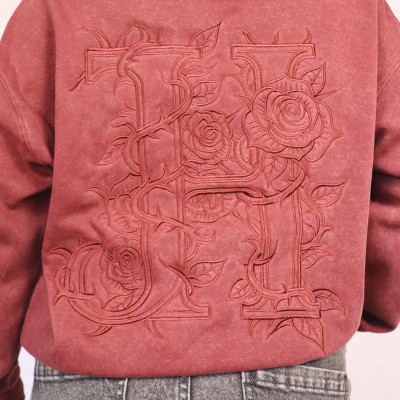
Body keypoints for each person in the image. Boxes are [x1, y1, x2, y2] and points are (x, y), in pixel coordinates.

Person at [0, 0, 399, 399]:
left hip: (90, 372)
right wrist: (367, 299)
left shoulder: (54, 9)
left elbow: (8, 195)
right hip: (292, 369)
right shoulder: (357, 9)